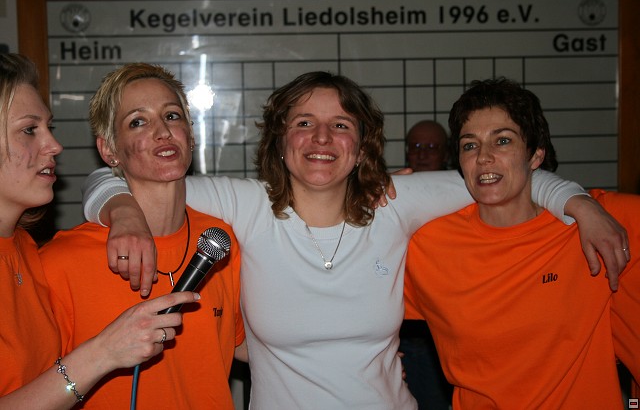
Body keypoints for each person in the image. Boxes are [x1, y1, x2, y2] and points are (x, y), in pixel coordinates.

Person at [81, 71, 628, 409]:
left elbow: (499, 174)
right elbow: (124, 175)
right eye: (304, 123)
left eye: (341, 125)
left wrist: (580, 204)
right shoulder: (246, 205)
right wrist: (123, 211)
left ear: (362, 146)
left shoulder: (396, 202)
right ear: (279, 142)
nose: (321, 137)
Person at [404, 78, 639, 409]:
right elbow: (357, 301)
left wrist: (582, 205)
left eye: (502, 141)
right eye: (470, 145)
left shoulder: (597, 223)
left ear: (536, 155)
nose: (484, 157)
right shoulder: (428, 244)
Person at [0, 54, 203, 408]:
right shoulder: (56, 260)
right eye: (29, 130)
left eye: (49, 127)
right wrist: (103, 353)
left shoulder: (25, 249)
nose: (55, 146)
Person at [38, 63, 244, 409]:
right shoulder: (61, 262)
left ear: (191, 135)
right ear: (109, 150)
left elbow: (245, 346)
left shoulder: (219, 241)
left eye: (172, 116)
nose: (163, 132)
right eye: (138, 121)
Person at [401, 119, 453, 409]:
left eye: (431, 147)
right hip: (398, 328)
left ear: (446, 154)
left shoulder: (465, 197)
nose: (422, 154)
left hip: (441, 331)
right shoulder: (389, 193)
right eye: (416, 146)